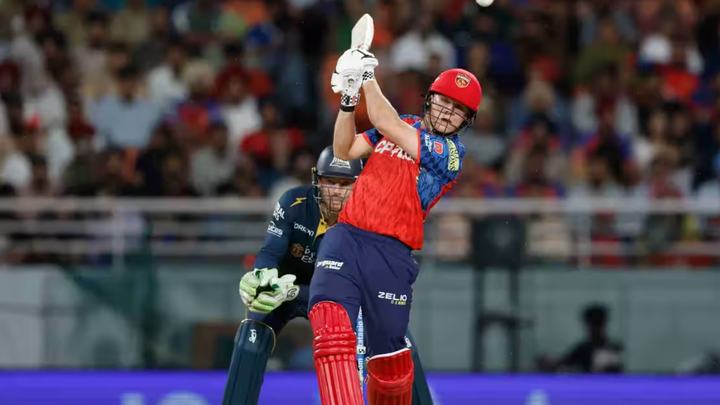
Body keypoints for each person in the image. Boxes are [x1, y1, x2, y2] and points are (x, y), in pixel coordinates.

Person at [307, 45, 482, 405]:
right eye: (444, 101)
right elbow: (344, 150)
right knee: (331, 329)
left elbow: (387, 123)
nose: (447, 112)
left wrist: (368, 77)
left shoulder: (451, 154)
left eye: (458, 109)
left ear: (466, 121)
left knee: (389, 364)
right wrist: (348, 100)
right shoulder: (404, 123)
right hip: (347, 237)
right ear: (429, 99)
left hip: (391, 255)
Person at [222, 146, 436, 405]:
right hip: (284, 292)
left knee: (399, 341)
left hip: (340, 298)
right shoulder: (294, 202)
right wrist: (261, 278)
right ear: (317, 179)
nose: (336, 190)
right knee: (251, 335)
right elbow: (270, 252)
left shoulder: (375, 219)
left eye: (345, 184)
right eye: (329, 181)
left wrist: (292, 291)